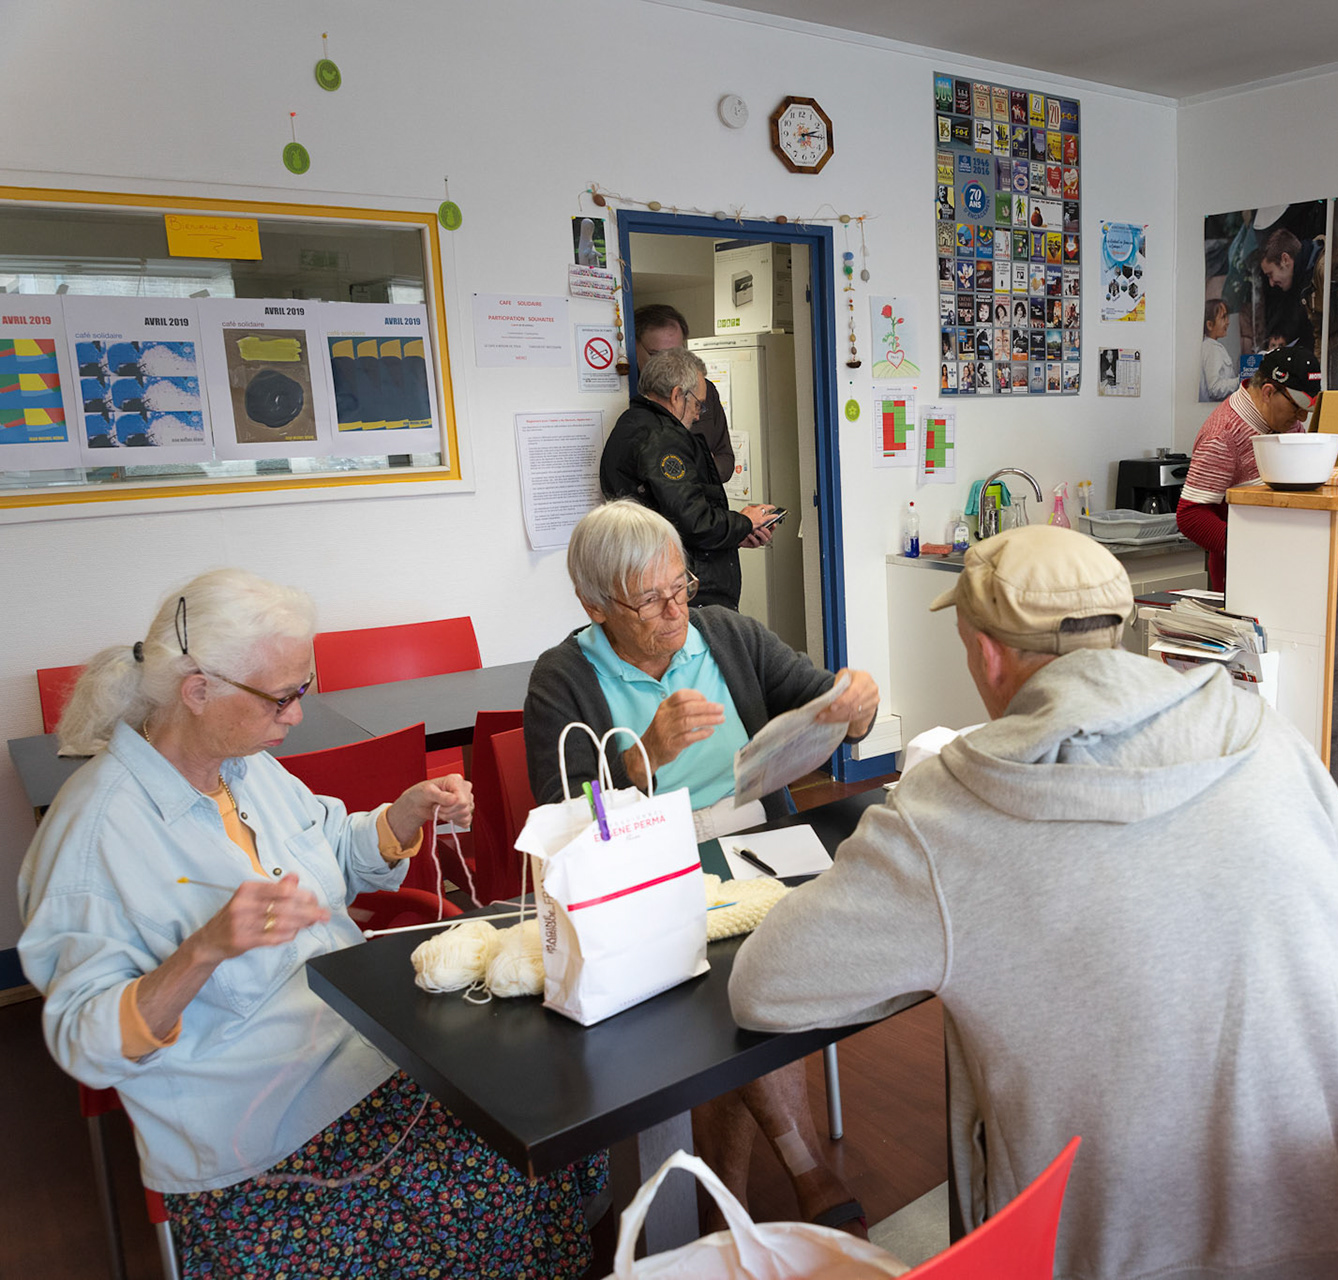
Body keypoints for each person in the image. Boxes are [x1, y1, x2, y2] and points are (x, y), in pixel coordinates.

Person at [730, 526, 1338, 1279]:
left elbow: (764, 988)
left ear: (985, 653)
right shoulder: (1263, 731)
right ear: (1120, 630)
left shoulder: (946, 813)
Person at [16, 570, 604, 1278]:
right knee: (512, 1180)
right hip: (267, 1145)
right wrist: (201, 951)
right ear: (198, 690)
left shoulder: (243, 769)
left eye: (304, 690)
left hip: (376, 1052)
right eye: (283, 697)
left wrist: (399, 817)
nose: (296, 715)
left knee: (562, 1106)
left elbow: (328, 847)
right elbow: (85, 1042)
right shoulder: (94, 833)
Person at [523, 500, 881, 1234]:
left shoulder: (727, 633)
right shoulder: (561, 677)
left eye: (680, 586)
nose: (674, 609)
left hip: (760, 844)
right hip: (648, 867)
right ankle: (796, 1176)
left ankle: (728, 1209)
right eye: (649, 599)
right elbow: (564, 816)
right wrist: (645, 754)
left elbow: (826, 706)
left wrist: (860, 707)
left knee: (751, 974)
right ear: (594, 605)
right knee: (733, 988)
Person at [600, 347, 780, 612]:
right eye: (698, 403)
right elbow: (694, 521)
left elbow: (672, 515)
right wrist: (746, 521)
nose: (698, 414)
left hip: (654, 580)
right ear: (676, 395)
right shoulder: (662, 438)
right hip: (687, 595)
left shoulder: (631, 425)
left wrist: (737, 533)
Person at [1175, 345, 1323, 591]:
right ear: (1268, 392)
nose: (1301, 419)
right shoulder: (1223, 434)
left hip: (1287, 567)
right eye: (1296, 407)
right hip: (1241, 575)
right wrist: (1253, 545)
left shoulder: (1286, 423)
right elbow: (1190, 516)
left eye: (1307, 409)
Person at [633, 302, 734, 483]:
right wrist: (697, 463)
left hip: (702, 503)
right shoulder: (626, 397)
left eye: (676, 355)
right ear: (635, 346)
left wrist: (703, 467)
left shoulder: (704, 391)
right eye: (657, 356)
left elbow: (726, 460)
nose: (668, 367)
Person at [1256, 224, 1322, 351]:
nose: (1271, 283)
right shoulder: (1298, 281)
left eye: (1270, 275)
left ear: (1285, 259)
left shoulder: (1318, 273)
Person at [1198, 297, 1239, 401]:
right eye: (1223, 317)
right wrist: (1240, 381)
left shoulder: (1214, 346)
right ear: (1210, 325)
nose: (1228, 322)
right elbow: (1215, 389)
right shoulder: (1211, 348)